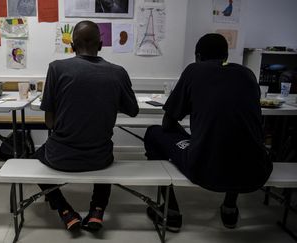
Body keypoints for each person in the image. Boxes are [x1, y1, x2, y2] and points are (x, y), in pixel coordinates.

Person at [144, 33, 272, 231]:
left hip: (206, 169)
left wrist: (190, 139)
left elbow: (168, 123)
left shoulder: (194, 71)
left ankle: (171, 212)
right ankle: (229, 207)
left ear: (197, 56)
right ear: (225, 56)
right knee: (237, 138)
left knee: (153, 133)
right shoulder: (247, 74)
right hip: (256, 170)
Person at [32, 20, 139, 232]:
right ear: (101, 45)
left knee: (32, 157)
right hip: (99, 158)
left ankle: (64, 210)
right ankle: (97, 210)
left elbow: (49, 122)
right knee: (105, 149)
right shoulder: (118, 72)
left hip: (59, 157)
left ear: (72, 46)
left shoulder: (56, 68)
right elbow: (133, 110)